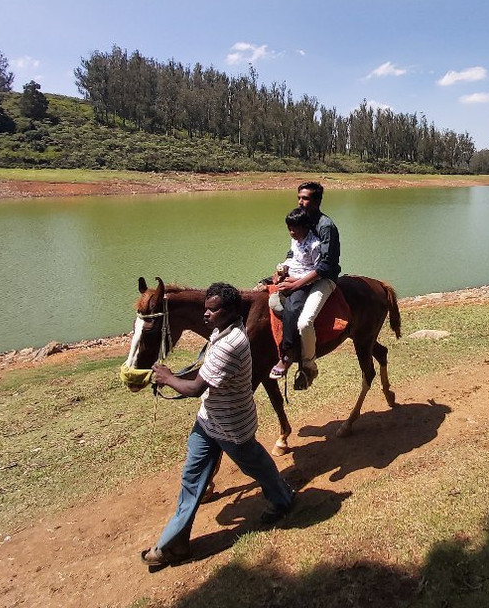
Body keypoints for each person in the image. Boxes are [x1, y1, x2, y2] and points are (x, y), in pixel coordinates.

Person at [141, 282, 294, 570]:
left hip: (232, 425)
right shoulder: (220, 331)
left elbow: (197, 388)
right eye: (206, 308)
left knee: (257, 465)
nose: (206, 314)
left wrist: (168, 377)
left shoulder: (232, 343)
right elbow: (206, 374)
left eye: (212, 310)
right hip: (209, 420)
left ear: (231, 311)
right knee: (192, 477)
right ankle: (174, 543)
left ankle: (283, 499)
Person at [273, 181, 341, 390]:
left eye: (306, 198)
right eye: (299, 197)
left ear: (318, 201)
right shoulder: (300, 220)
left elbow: (326, 266)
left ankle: (309, 366)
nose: (301, 202)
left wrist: (295, 285)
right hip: (301, 274)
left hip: (324, 279)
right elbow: (293, 252)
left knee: (304, 322)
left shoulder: (325, 226)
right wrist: (282, 270)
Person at [269, 208, 321, 374]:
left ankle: (288, 352)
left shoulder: (315, 245)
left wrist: (296, 282)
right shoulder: (295, 240)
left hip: (305, 283)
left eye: (295, 229)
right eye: (289, 228)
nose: (291, 232)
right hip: (290, 276)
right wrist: (282, 269)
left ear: (305, 226)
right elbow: (293, 257)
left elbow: (318, 271)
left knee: (292, 308)